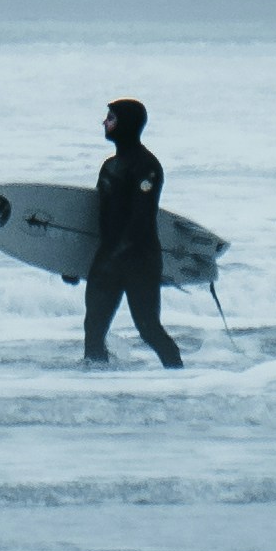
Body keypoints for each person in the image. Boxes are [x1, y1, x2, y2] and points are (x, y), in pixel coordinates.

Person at [85, 95, 183, 369]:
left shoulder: (147, 166)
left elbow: (141, 219)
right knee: (93, 329)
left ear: (126, 124)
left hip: (140, 260)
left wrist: (116, 256)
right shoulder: (108, 166)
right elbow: (97, 220)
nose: (104, 122)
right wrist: (72, 262)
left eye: (111, 118)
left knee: (148, 328)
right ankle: (95, 384)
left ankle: (180, 379)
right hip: (107, 259)